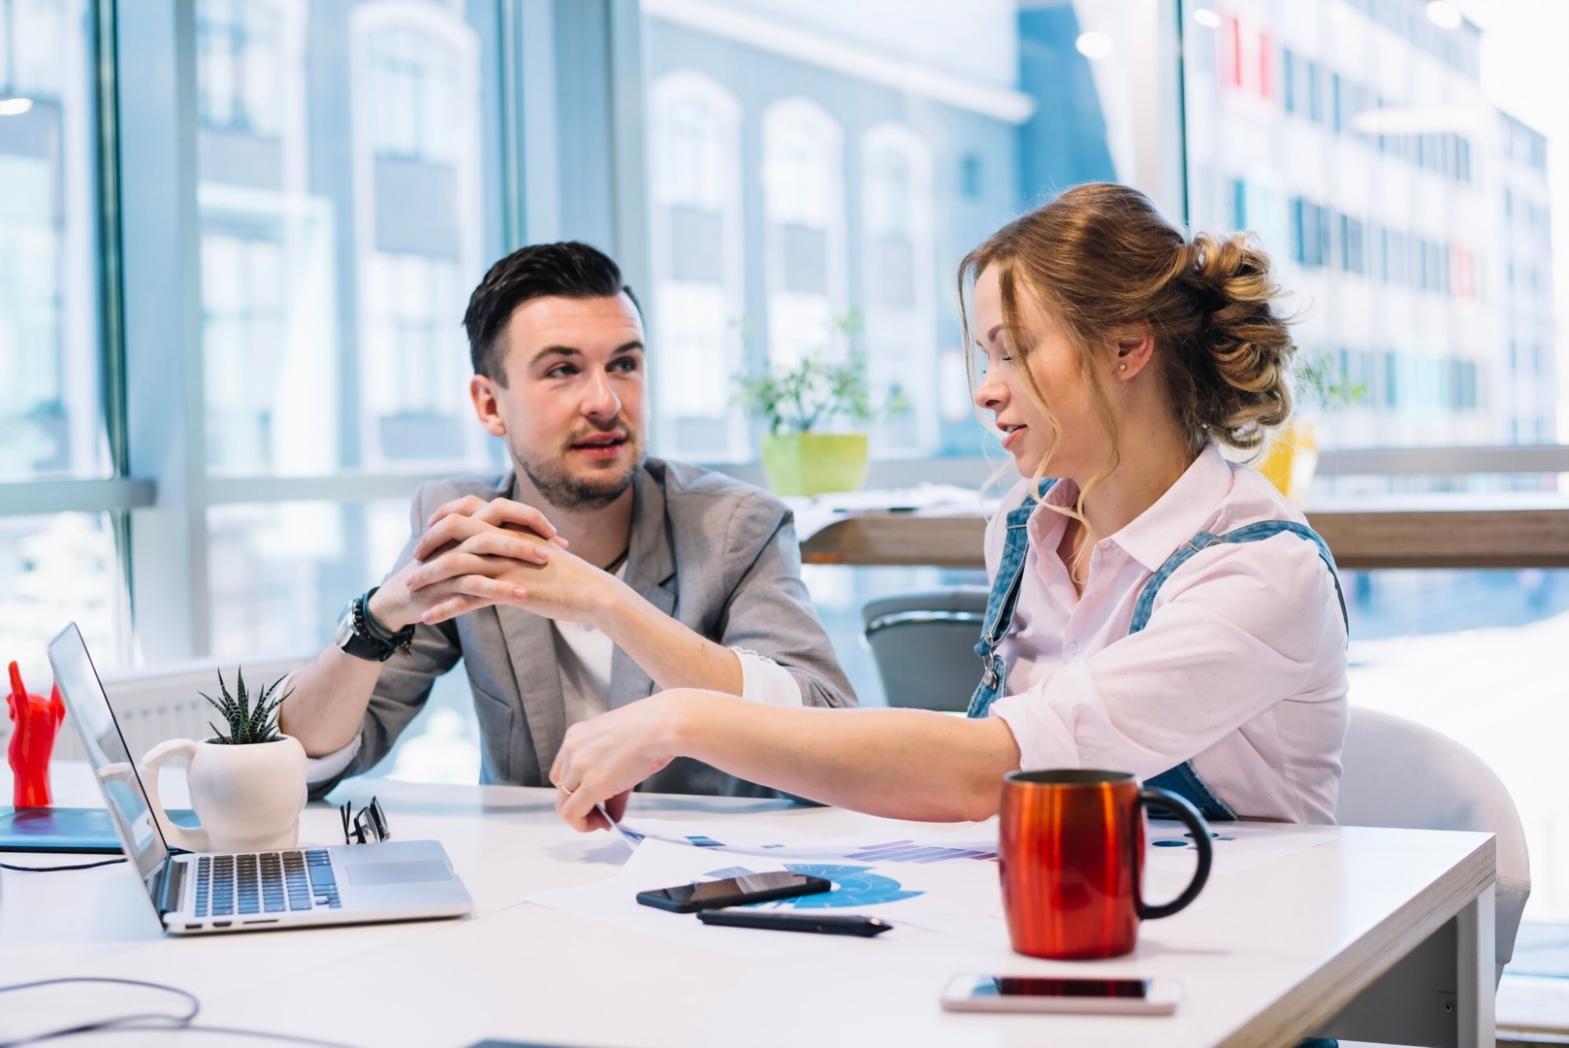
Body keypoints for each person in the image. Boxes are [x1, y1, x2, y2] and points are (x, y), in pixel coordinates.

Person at [550, 183, 1349, 832]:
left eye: (1014, 348)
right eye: (984, 354)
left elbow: (993, 768)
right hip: (1067, 938)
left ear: (1125, 345)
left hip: (1239, 979)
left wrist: (679, 721)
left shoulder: (1258, 571)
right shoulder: (1026, 524)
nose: (984, 388)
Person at [279, 242, 856, 801]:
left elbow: (831, 734)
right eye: (562, 370)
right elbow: (302, 761)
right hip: (533, 877)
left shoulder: (735, 527)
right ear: (489, 405)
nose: (605, 401)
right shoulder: (463, 530)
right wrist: (377, 617)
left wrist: (607, 601)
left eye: (625, 364)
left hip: (715, 877)